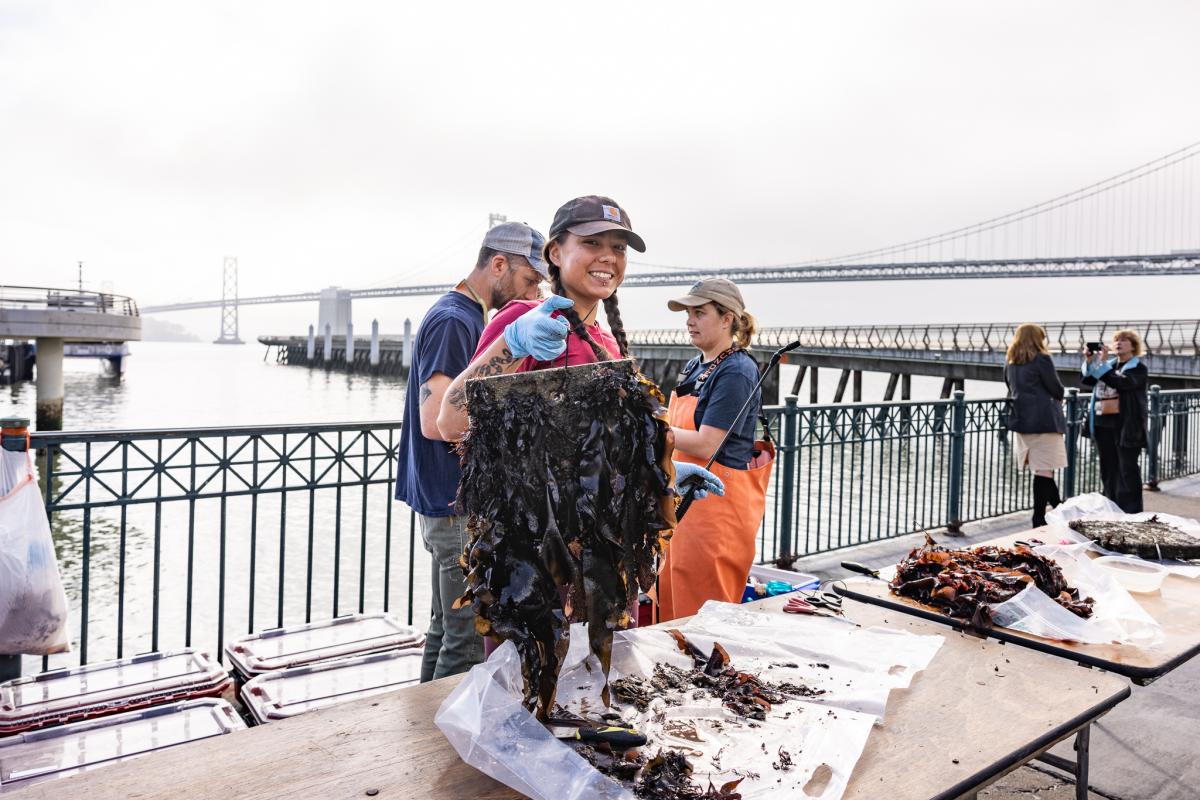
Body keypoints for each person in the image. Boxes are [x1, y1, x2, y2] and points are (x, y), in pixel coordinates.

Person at [437, 195, 723, 618]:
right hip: (530, 560)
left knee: (603, 675)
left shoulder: (608, 345)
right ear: (555, 252)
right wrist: (511, 344)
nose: (608, 257)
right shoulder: (524, 321)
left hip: (603, 558)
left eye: (619, 248)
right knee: (532, 675)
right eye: (591, 243)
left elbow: (602, 453)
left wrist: (658, 474)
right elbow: (451, 422)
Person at [396, 221, 548, 682]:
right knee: (464, 639)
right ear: (499, 264)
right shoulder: (455, 320)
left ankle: (425, 731)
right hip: (454, 505)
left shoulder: (458, 314)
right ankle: (444, 746)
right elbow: (434, 420)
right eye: (529, 281)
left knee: (444, 629)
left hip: (441, 501)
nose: (534, 295)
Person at [653, 278, 773, 621]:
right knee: (671, 605)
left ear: (727, 319)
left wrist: (652, 431)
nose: (689, 320)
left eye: (699, 313)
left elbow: (708, 442)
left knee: (705, 617)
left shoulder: (736, 371)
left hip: (715, 510)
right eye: (688, 313)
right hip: (680, 502)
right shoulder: (696, 365)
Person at [1004, 323, 1066, 528]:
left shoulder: (1011, 361)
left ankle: (1051, 513)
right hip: (1044, 421)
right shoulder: (1042, 359)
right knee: (1045, 471)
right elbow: (1056, 389)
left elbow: (1009, 385)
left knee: (1041, 470)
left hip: (1022, 420)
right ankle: (1049, 515)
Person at [1082, 329, 1149, 513]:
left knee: (1127, 470)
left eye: (1124, 340)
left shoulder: (1138, 369)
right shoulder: (1108, 365)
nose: (1119, 343)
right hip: (1103, 425)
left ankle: (1131, 513)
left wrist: (1103, 365)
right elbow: (1088, 380)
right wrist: (1090, 361)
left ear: (1133, 346)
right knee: (1108, 469)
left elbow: (1122, 383)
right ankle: (1111, 509)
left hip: (1126, 426)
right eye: (1117, 340)